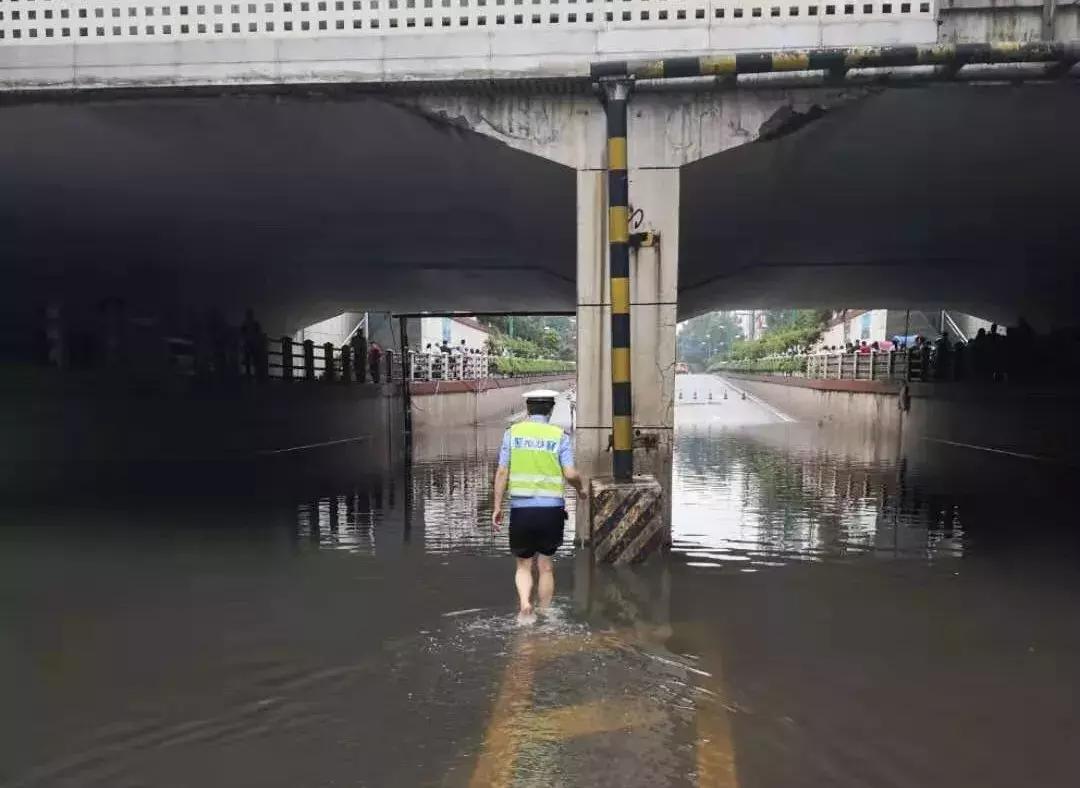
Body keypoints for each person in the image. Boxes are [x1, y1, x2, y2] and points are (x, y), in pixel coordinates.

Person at [491, 390, 585, 622]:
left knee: (523, 565)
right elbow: (570, 473)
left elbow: (502, 471)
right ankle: (544, 611)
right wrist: (580, 488)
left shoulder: (512, 433)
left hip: (521, 510)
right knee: (545, 566)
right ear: (551, 410)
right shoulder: (559, 436)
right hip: (551, 511)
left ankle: (524, 604)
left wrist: (497, 506)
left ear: (528, 409)